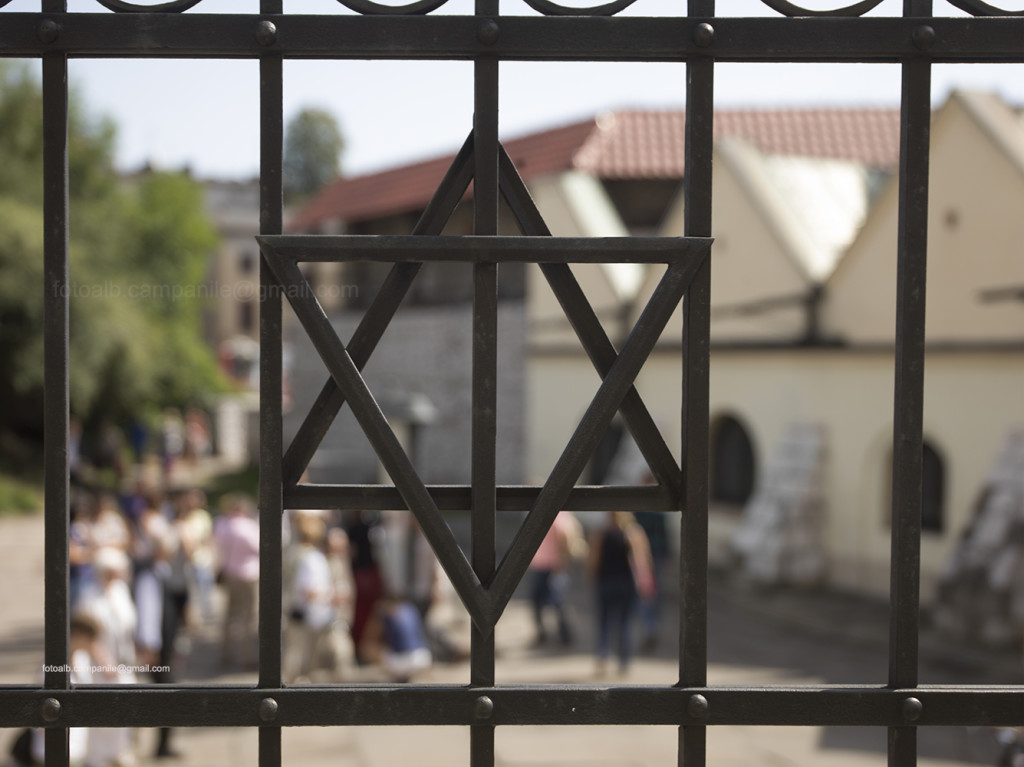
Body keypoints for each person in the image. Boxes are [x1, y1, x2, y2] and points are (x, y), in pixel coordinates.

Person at [587, 511, 653, 676]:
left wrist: (591, 578)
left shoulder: (600, 532)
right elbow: (642, 560)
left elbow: (594, 559)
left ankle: (603, 656)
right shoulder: (634, 533)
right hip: (626, 583)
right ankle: (624, 661)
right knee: (625, 623)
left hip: (606, 581)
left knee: (604, 621)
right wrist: (646, 583)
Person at [214, 493, 260, 669]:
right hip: (248, 576)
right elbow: (259, 548)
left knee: (229, 615)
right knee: (248, 617)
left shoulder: (222, 524)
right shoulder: (247, 527)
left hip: (229, 573)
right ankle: (247, 656)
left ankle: (225, 652)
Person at [527, 511, 585, 647]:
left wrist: (562, 560)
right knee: (551, 601)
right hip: (546, 564)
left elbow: (564, 536)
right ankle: (552, 633)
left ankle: (560, 634)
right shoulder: (565, 515)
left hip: (549, 565)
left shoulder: (555, 514)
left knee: (551, 601)